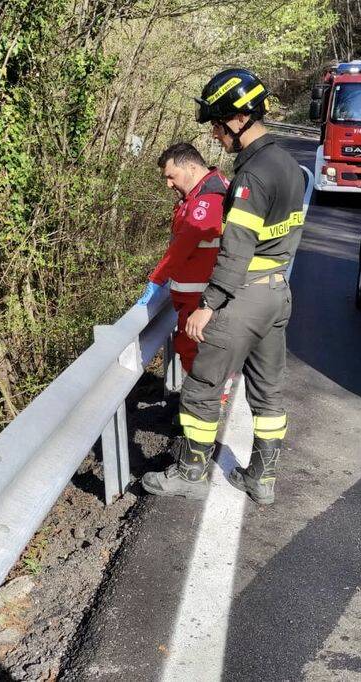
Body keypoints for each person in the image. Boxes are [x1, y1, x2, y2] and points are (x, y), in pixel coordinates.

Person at [141, 68, 305, 505]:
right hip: (278, 293)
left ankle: (190, 476)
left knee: (201, 387)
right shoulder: (290, 166)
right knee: (267, 392)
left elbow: (235, 251)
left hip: (245, 296)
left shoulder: (252, 176)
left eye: (217, 123)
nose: (215, 135)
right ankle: (262, 480)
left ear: (238, 118)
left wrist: (207, 306)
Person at [136, 142, 228, 374]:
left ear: (191, 167)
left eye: (171, 176)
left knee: (197, 358)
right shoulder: (201, 194)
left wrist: (157, 279)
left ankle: (207, 405)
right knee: (198, 356)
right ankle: (209, 401)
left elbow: (184, 243)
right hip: (198, 298)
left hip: (201, 300)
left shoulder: (208, 201)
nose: (168, 184)